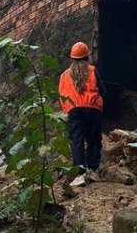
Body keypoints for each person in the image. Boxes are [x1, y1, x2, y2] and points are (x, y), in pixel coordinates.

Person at [58, 42, 106, 187]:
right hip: (92, 109)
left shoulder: (65, 75)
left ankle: (79, 173)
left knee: (76, 140)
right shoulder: (92, 70)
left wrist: (67, 110)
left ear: (72, 58)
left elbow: (61, 94)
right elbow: (103, 90)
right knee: (93, 140)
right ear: (87, 57)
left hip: (73, 111)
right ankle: (92, 171)